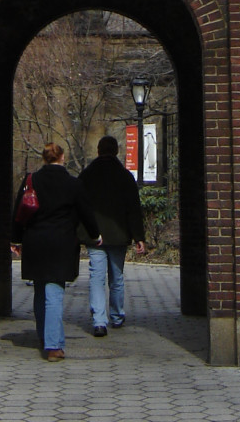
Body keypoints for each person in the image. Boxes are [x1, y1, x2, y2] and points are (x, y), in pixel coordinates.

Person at [10, 142, 102, 362]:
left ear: (44, 158)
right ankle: (53, 346)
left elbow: (18, 211)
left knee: (41, 291)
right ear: (62, 157)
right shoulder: (73, 184)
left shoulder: (31, 180)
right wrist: (95, 235)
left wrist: (15, 239)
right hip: (61, 244)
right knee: (53, 294)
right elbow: (86, 213)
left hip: (35, 242)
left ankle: (45, 336)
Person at [78, 135, 146, 336]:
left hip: (94, 235)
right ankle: (117, 315)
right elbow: (133, 209)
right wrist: (138, 236)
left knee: (96, 277)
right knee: (116, 277)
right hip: (118, 235)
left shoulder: (87, 175)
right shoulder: (124, 176)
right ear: (116, 151)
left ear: (98, 150)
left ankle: (99, 320)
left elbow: (79, 205)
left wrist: (77, 232)